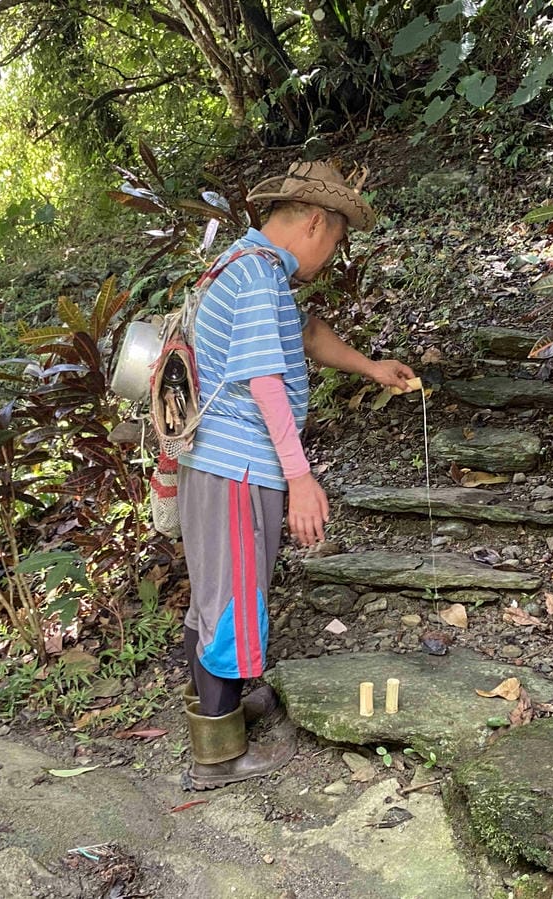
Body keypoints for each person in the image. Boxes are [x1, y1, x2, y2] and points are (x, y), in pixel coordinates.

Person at [178, 161, 415, 790]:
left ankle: (225, 705)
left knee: (225, 590)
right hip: (238, 463)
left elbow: (305, 334)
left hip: (225, 462)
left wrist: (371, 367)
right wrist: (301, 476)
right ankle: (218, 754)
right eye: (335, 240)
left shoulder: (248, 268)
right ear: (315, 221)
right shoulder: (257, 276)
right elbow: (264, 382)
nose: (332, 254)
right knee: (230, 599)